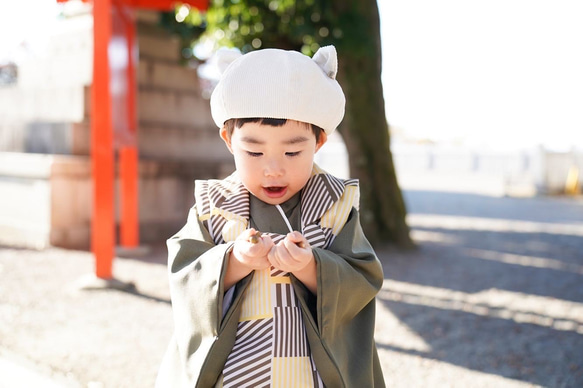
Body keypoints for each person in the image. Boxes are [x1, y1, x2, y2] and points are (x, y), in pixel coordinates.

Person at [156, 45, 385, 388]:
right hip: (234, 370)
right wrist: (233, 260)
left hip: (310, 371)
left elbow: (362, 277)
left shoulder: (334, 205)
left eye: (293, 151)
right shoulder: (213, 204)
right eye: (254, 151)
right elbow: (186, 273)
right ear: (229, 140)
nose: (273, 169)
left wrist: (311, 266)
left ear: (319, 141)